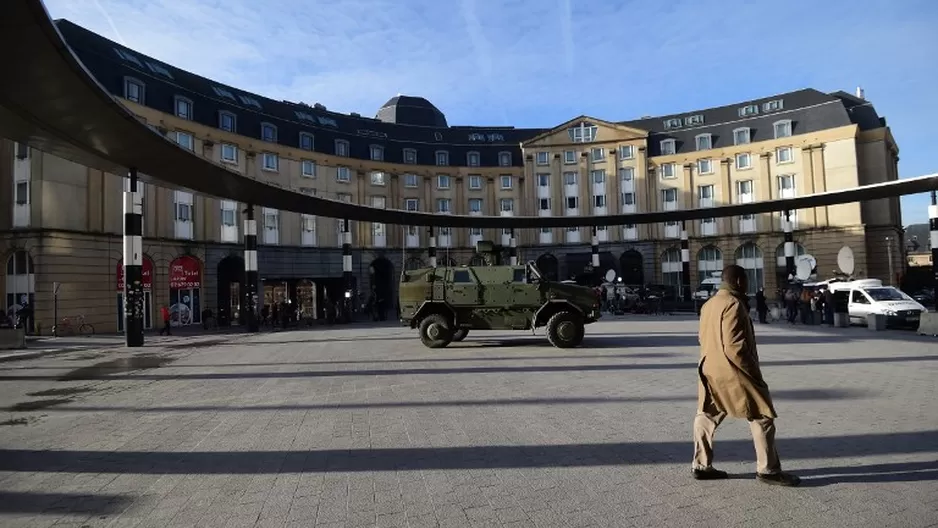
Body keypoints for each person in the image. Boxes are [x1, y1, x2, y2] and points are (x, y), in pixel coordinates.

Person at [692, 264, 800, 486]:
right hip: (733, 369)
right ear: (739, 281)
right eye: (746, 280)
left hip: (708, 366)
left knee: (707, 414)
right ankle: (768, 470)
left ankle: (701, 465)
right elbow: (734, 346)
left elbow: (701, 338)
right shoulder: (733, 304)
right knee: (762, 416)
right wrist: (753, 375)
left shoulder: (709, 304)